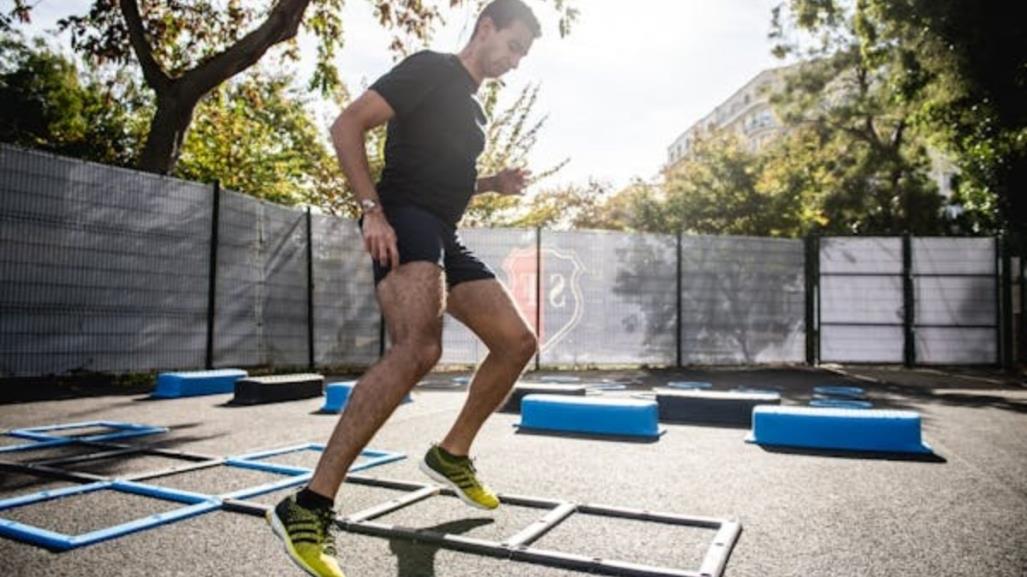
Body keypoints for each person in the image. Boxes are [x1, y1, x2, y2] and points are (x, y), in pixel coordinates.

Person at [267, 1, 542, 575]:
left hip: (441, 229)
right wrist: (372, 211)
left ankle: (451, 454)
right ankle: (308, 505)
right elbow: (347, 124)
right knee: (418, 348)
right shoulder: (432, 68)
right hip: (404, 220)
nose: (516, 62)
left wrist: (494, 184)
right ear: (485, 28)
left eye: (524, 55)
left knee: (517, 343)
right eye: (513, 47)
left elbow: (447, 180)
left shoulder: (473, 111)